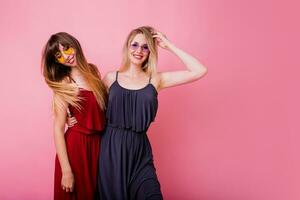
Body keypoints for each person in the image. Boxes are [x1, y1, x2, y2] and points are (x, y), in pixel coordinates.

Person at [68, 26, 207, 200]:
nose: (139, 50)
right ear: (127, 47)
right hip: (110, 151)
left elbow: (199, 70)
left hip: (140, 152)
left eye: (145, 46)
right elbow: (93, 108)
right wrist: (69, 115)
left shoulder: (156, 79)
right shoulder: (111, 78)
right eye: (134, 45)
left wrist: (169, 45)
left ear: (150, 51)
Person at [41, 32, 107, 200]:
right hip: (77, 148)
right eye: (59, 55)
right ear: (56, 61)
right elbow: (57, 128)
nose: (66, 56)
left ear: (74, 45)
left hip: (99, 145)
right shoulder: (65, 82)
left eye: (67, 48)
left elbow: (99, 108)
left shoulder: (93, 70)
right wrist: (66, 171)